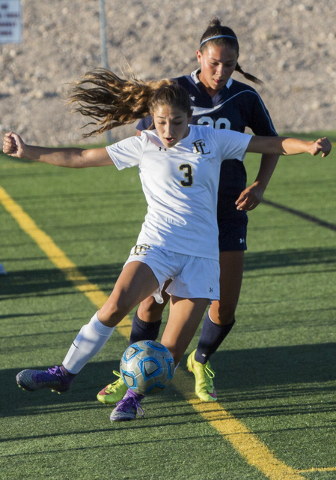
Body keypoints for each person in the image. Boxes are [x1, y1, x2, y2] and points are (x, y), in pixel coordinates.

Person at [4, 81, 331, 422]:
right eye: (161, 122)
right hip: (158, 244)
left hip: (202, 256)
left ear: (190, 118)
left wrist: (308, 145)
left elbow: (271, 143)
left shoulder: (213, 139)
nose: (169, 129)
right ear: (152, 119)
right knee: (115, 304)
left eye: (176, 122)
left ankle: (133, 397)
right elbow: (82, 156)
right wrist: (27, 151)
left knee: (169, 352)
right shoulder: (143, 143)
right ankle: (64, 374)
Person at [97, 18, 281, 406]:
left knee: (224, 305)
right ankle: (131, 374)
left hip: (228, 211)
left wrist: (260, 186)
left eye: (229, 64)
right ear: (199, 56)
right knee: (151, 300)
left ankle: (201, 360)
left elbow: (270, 144)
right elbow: (146, 134)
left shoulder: (244, 98)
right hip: (178, 218)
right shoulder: (173, 92)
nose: (221, 70)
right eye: (214, 62)